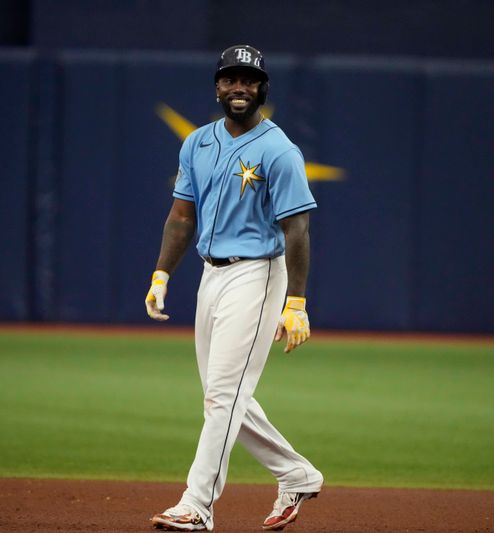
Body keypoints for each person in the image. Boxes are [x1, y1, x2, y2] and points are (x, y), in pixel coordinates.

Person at [144, 44, 323, 532]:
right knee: (222, 396)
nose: (239, 87)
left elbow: (297, 230)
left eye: (249, 79)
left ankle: (197, 504)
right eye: (230, 78)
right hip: (212, 273)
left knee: (225, 395)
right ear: (217, 86)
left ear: (263, 88)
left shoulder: (279, 150)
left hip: (259, 274)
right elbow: (182, 216)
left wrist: (297, 303)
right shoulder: (197, 143)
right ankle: (297, 473)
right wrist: (162, 274)